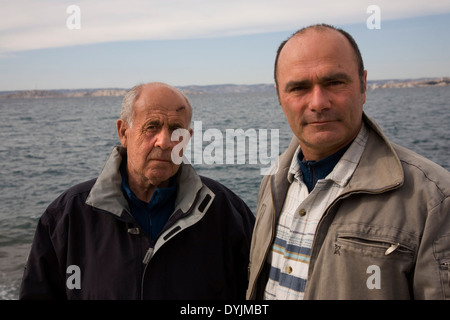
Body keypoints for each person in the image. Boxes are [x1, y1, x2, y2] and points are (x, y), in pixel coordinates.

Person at [246, 24, 450, 300]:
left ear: (363, 85)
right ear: (280, 96)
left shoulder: (434, 199)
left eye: (334, 83)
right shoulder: (274, 180)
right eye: (299, 88)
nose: (318, 103)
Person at [20, 82, 255, 300]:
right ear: (124, 132)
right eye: (152, 127)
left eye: (176, 130)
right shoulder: (67, 216)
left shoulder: (225, 210)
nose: (164, 142)